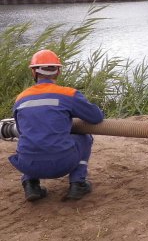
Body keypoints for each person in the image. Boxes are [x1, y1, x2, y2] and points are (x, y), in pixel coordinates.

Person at [9, 49, 104, 201]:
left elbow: (21, 130)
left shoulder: (21, 98)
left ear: (34, 72)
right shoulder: (68, 94)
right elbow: (96, 117)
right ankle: (78, 184)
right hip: (62, 164)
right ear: (58, 71)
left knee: (29, 138)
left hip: (27, 164)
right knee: (84, 137)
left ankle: (31, 185)